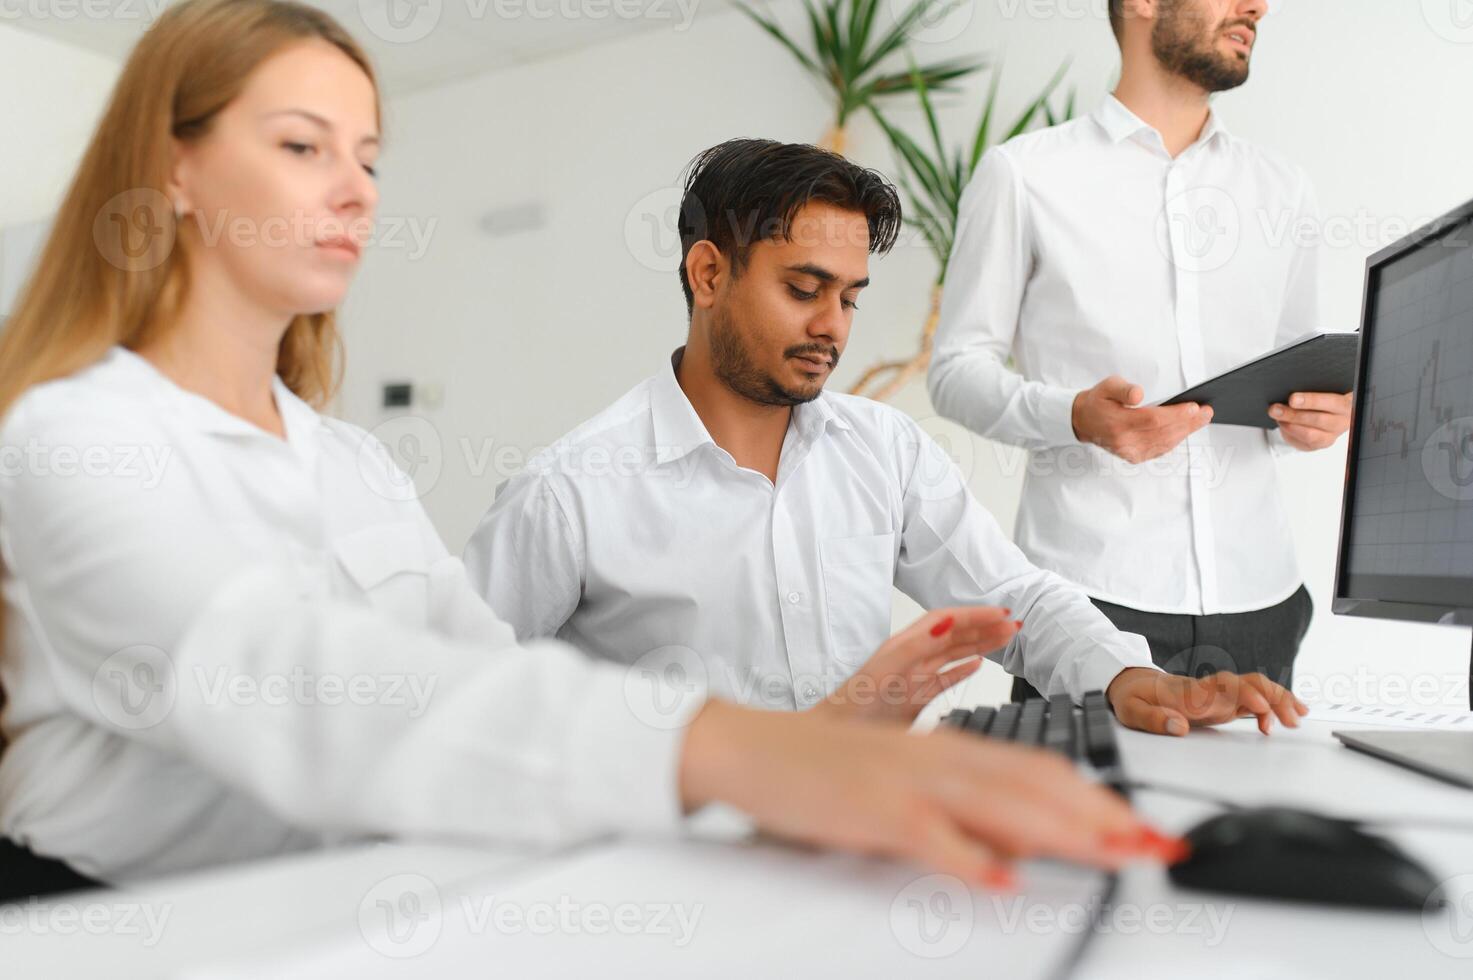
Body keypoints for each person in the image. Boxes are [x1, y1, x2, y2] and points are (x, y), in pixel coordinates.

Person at [0, 0, 1174, 899]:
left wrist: (812, 746)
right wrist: (743, 755)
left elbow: (483, 684)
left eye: (367, 158)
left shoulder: (348, 463)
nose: (356, 191)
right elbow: (302, 687)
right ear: (174, 168)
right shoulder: (69, 434)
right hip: (134, 921)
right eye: (305, 146)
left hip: (359, 899)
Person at [464, 137, 1309, 738]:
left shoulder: (883, 452)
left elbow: (1018, 600)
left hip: (861, 855)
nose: (833, 326)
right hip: (675, 885)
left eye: (852, 296)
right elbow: (454, 697)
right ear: (708, 273)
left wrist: (1131, 679)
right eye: (804, 288)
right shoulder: (569, 492)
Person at [928, 0, 1353, 702]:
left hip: (1262, 601)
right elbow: (954, 371)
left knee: (1253, 817)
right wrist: (1072, 416)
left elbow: (1299, 376)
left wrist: (1312, 424)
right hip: (1088, 604)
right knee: (1085, 816)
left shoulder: (1283, 188)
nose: (1257, 6)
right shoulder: (1024, 175)